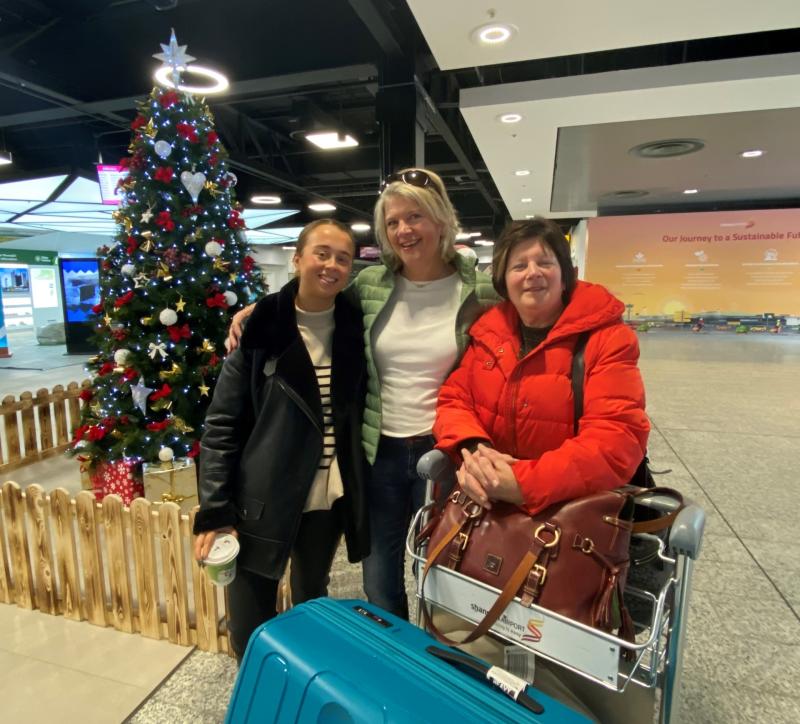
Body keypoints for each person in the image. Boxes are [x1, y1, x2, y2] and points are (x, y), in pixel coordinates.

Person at [226, 168, 498, 619]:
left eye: (415, 217)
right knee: (379, 578)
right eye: (392, 223)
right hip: (379, 453)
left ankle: (436, 666)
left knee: (444, 572)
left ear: (442, 221)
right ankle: (393, 661)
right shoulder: (371, 286)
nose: (403, 231)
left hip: (447, 452)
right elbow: (314, 296)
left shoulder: (482, 291)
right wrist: (261, 308)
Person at [193, 219, 370, 660]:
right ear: (297, 258)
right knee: (251, 622)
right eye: (321, 253)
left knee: (311, 605)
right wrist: (216, 511)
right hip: (263, 501)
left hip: (327, 501)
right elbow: (220, 427)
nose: (331, 265)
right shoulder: (261, 329)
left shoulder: (354, 326)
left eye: (342, 258)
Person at [433, 217, 649, 515]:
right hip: (492, 508)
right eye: (519, 266)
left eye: (544, 263)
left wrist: (522, 483)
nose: (532, 273)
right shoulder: (486, 334)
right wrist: (474, 452)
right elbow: (454, 400)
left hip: (570, 517)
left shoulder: (607, 339)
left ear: (565, 275)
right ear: (503, 281)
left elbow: (616, 437)